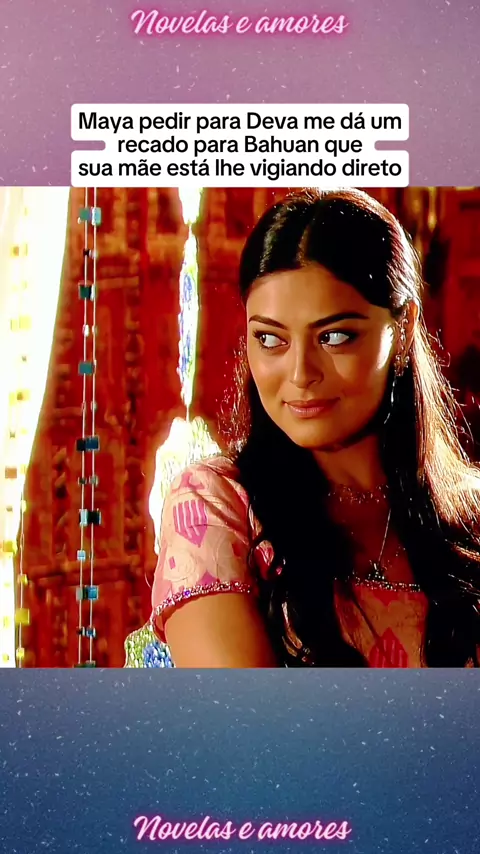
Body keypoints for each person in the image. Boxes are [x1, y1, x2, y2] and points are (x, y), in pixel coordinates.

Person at [149, 188, 480, 668]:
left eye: (335, 336)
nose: (301, 373)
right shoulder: (216, 507)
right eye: (270, 339)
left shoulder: (470, 518)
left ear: (404, 329)